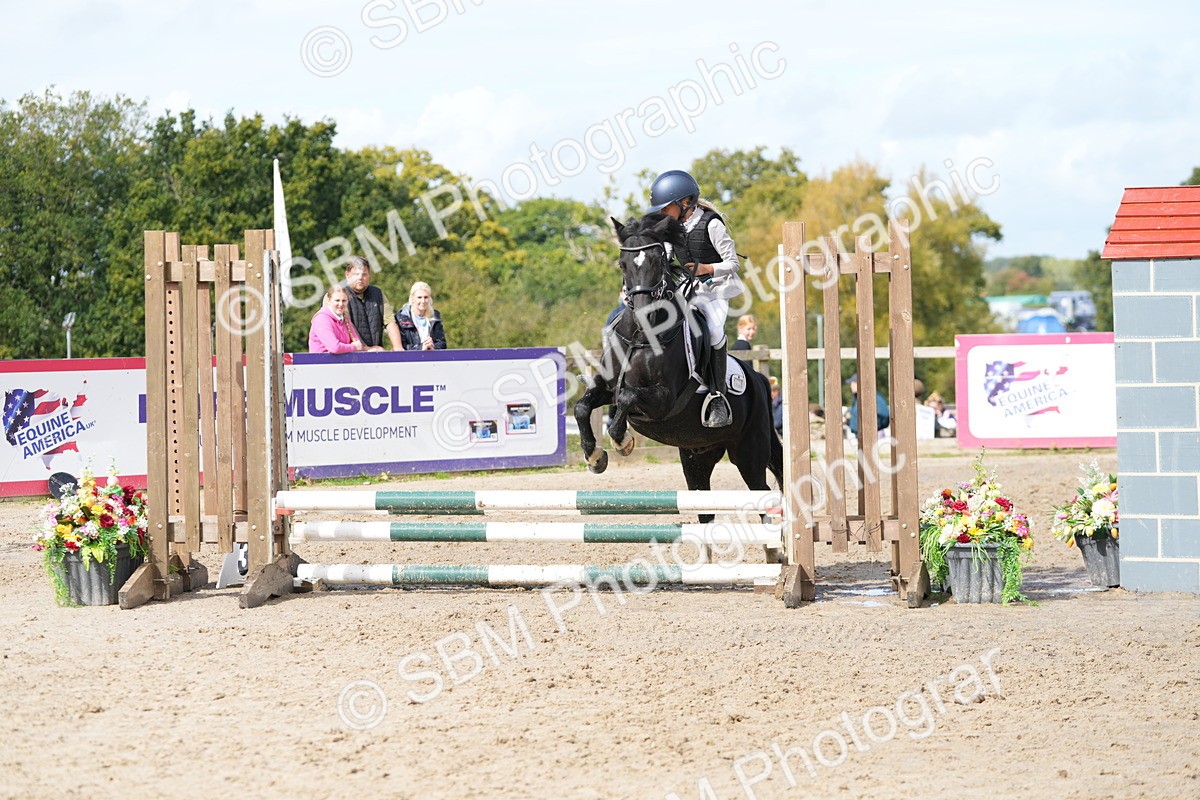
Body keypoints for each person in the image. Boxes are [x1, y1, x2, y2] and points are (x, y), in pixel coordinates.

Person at [646, 169, 746, 427]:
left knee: (713, 332)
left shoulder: (711, 224)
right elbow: (667, 258)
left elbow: (733, 263)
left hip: (717, 290)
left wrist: (707, 269)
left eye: (665, 208)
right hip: (687, 289)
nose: (662, 214)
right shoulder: (673, 227)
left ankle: (717, 396)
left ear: (685, 202)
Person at [343, 257, 403, 350]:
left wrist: (398, 347)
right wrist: (366, 349)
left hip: (376, 353)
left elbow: (390, 321)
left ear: (369, 275)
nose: (360, 278)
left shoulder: (377, 293)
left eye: (364, 274)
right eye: (356, 274)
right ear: (347, 275)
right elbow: (346, 326)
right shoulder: (339, 296)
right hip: (349, 355)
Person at [309, 286, 375, 354]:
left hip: (342, 363)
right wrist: (354, 347)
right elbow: (334, 347)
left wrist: (372, 350)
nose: (340, 304)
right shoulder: (321, 319)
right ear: (329, 301)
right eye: (337, 300)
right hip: (322, 363)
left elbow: (358, 344)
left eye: (344, 301)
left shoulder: (345, 318)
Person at [396, 281, 447, 350]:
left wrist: (432, 346)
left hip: (432, 359)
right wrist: (421, 348)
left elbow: (442, 343)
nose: (423, 301)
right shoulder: (401, 318)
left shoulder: (435, 316)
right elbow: (401, 346)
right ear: (412, 298)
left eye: (426, 297)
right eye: (419, 297)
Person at [846, 373, 890, 440]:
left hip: (872, 436)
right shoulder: (857, 399)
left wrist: (873, 426)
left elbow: (884, 415)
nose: (851, 386)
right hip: (860, 437)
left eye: (852, 383)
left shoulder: (874, 397)